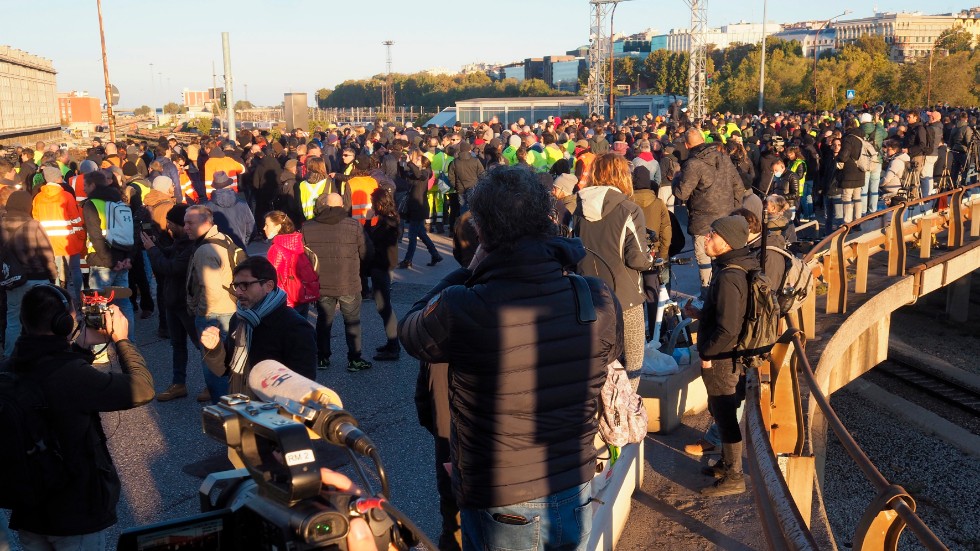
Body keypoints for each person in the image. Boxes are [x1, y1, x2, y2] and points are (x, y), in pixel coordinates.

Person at [399, 166, 622, 551]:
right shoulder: (595, 297)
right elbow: (611, 352)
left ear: (482, 232)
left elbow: (411, 330)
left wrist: (467, 274)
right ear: (546, 220)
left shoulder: (463, 305)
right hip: (574, 481)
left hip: (502, 496)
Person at [2, 284, 154, 549]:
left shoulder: (9, 369)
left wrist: (80, 347)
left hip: (29, 513)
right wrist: (121, 340)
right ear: (63, 324)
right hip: (75, 516)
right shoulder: (73, 377)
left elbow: (48, 369)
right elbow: (142, 388)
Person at [682, 215, 755, 496]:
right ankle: (727, 463)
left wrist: (708, 354)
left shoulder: (729, 276)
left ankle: (735, 476)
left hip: (723, 358)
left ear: (725, 242)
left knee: (724, 414)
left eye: (711, 235)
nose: (706, 239)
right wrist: (701, 314)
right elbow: (727, 317)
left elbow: (728, 329)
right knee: (721, 412)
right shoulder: (734, 267)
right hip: (727, 355)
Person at [201, 256, 317, 395]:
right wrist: (214, 349)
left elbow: (302, 387)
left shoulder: (295, 328)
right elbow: (224, 369)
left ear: (268, 286)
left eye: (245, 285)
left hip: (271, 412)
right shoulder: (239, 318)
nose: (238, 292)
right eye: (236, 285)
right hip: (241, 406)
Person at [301, 193, 372, 372]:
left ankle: (322, 358)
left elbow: (304, 257)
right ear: (342, 206)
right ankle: (354, 359)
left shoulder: (308, 227)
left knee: (324, 321)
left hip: (322, 283)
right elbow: (366, 253)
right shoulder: (354, 225)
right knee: (352, 321)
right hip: (349, 281)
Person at [143, 204, 201, 402]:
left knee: (201, 345)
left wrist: (152, 250)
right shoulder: (179, 242)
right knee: (177, 345)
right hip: (172, 301)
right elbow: (168, 253)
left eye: (171, 223)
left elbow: (171, 267)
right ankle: (179, 383)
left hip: (186, 304)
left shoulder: (193, 246)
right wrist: (155, 245)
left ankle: (215, 383)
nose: (168, 227)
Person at [673, 128, 738, 297]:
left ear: (687, 145)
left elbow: (681, 193)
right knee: (725, 258)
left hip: (703, 220)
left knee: (705, 260)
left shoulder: (692, 164)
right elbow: (738, 186)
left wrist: (675, 179)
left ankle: (707, 296)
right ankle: (725, 293)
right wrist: (735, 211)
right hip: (726, 218)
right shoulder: (723, 158)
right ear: (704, 139)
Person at [184, 205, 239, 403]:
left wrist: (200, 314)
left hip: (214, 314)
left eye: (190, 223)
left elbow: (211, 291)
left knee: (214, 366)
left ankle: (224, 410)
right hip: (229, 309)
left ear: (206, 223)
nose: (185, 227)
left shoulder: (205, 249)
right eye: (185, 222)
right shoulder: (223, 238)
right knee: (229, 361)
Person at [0, 191, 57, 356]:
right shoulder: (34, 225)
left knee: (13, 321)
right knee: (41, 320)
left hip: (12, 280)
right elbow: (47, 255)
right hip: (38, 279)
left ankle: (10, 357)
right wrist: (53, 277)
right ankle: (41, 356)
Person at [80, 170, 136, 332]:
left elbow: (96, 236)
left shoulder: (92, 204)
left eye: (85, 185)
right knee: (124, 303)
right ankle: (128, 341)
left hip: (102, 261)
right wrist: (126, 259)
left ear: (93, 185)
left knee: (97, 306)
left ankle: (100, 350)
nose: (84, 189)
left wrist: (110, 262)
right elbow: (128, 232)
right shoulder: (119, 202)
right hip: (122, 260)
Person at [31, 166, 85, 307]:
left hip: (48, 242)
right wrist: (81, 236)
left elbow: (36, 220)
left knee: (54, 272)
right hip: (68, 240)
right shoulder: (66, 196)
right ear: (57, 178)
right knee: (75, 270)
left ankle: (59, 301)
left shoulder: (38, 198)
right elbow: (75, 219)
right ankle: (80, 302)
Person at [365, 187, 401, 361]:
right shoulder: (388, 219)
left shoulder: (388, 222)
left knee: (384, 307)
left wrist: (367, 222)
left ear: (379, 203)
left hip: (381, 266)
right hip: (381, 266)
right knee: (384, 308)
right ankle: (391, 342)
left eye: (373, 202)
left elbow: (373, 241)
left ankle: (394, 346)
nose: (372, 204)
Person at [264, 210, 318, 318]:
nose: (264, 228)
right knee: (301, 331)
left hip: (287, 302)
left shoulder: (276, 249)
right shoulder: (296, 242)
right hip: (301, 295)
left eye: (267, 225)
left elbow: (273, 278)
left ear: (278, 227)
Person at [398, 149, 442, 269]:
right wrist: (401, 164)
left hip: (419, 208)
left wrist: (410, 163)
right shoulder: (418, 172)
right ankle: (435, 255)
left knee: (412, 236)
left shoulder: (426, 172)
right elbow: (405, 176)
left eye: (418, 159)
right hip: (414, 208)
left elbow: (418, 175)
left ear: (423, 163)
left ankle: (408, 260)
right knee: (421, 234)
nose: (415, 160)